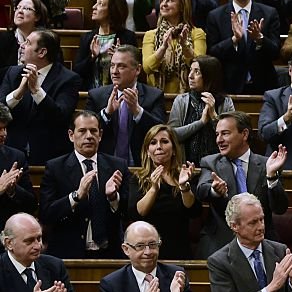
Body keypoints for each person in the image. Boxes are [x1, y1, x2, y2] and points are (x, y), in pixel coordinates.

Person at [194, 111, 288, 259]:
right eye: (217, 134)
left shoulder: (267, 164)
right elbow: (202, 190)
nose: (219, 140)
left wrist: (271, 177)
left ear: (244, 134)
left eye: (225, 133)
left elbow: (280, 208)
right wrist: (214, 190)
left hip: (262, 243)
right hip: (220, 244)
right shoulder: (211, 162)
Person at [38, 110, 130, 258]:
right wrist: (76, 196)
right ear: (71, 135)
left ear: (100, 135)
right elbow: (46, 214)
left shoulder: (117, 166)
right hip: (68, 253)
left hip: (110, 253)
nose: (89, 136)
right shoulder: (55, 168)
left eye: (93, 131)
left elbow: (129, 212)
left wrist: (113, 198)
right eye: (82, 131)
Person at [0, 28, 81, 164]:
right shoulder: (13, 73)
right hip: (12, 152)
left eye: (28, 43)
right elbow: (0, 108)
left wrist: (37, 91)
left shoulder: (68, 79)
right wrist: (18, 92)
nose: (22, 45)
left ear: (42, 52)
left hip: (49, 156)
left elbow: (61, 116)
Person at [85, 44, 167, 166]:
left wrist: (138, 111)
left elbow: (161, 131)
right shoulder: (96, 96)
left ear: (137, 70)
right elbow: (85, 131)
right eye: (112, 65)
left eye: (121, 66)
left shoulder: (154, 96)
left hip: (142, 167)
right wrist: (107, 113)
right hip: (105, 166)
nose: (114, 71)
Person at [125, 126, 199, 261]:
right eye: (153, 143)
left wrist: (183, 186)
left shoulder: (184, 175)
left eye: (164, 141)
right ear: (147, 151)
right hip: (148, 251)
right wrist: (153, 189)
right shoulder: (138, 179)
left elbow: (193, 211)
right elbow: (137, 213)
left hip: (179, 249)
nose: (159, 146)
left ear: (174, 150)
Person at [206, 0, 282, 94]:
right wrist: (234, 40)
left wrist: (260, 39)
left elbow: (276, 52)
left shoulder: (269, 13)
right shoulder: (215, 16)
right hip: (229, 87)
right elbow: (212, 53)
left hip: (264, 86)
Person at [168, 56, 235, 165]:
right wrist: (201, 122)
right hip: (185, 166)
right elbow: (172, 135)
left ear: (209, 76)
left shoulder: (225, 102)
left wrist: (214, 117)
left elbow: (232, 137)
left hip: (219, 167)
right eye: (190, 70)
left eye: (197, 72)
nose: (190, 76)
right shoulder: (181, 101)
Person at [73, 0, 137, 90]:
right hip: (91, 94)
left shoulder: (127, 37)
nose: (94, 7)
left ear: (112, 10)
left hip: (119, 92)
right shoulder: (87, 37)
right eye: (96, 3)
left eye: (100, 4)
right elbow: (77, 72)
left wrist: (119, 57)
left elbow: (135, 70)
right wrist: (92, 57)